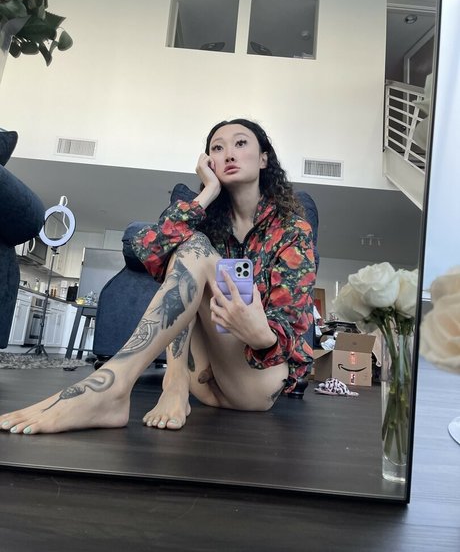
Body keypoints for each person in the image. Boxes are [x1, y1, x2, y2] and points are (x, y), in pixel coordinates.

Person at [0, 118, 316, 435]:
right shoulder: (205, 221)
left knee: (196, 249)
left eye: (241, 143)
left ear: (263, 158)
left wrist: (259, 334)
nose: (229, 154)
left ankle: (109, 388)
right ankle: (169, 385)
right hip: (202, 379)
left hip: (256, 381)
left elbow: (290, 325)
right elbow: (149, 250)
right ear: (208, 163)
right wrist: (208, 192)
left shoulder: (292, 230)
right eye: (218, 148)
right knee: (189, 248)